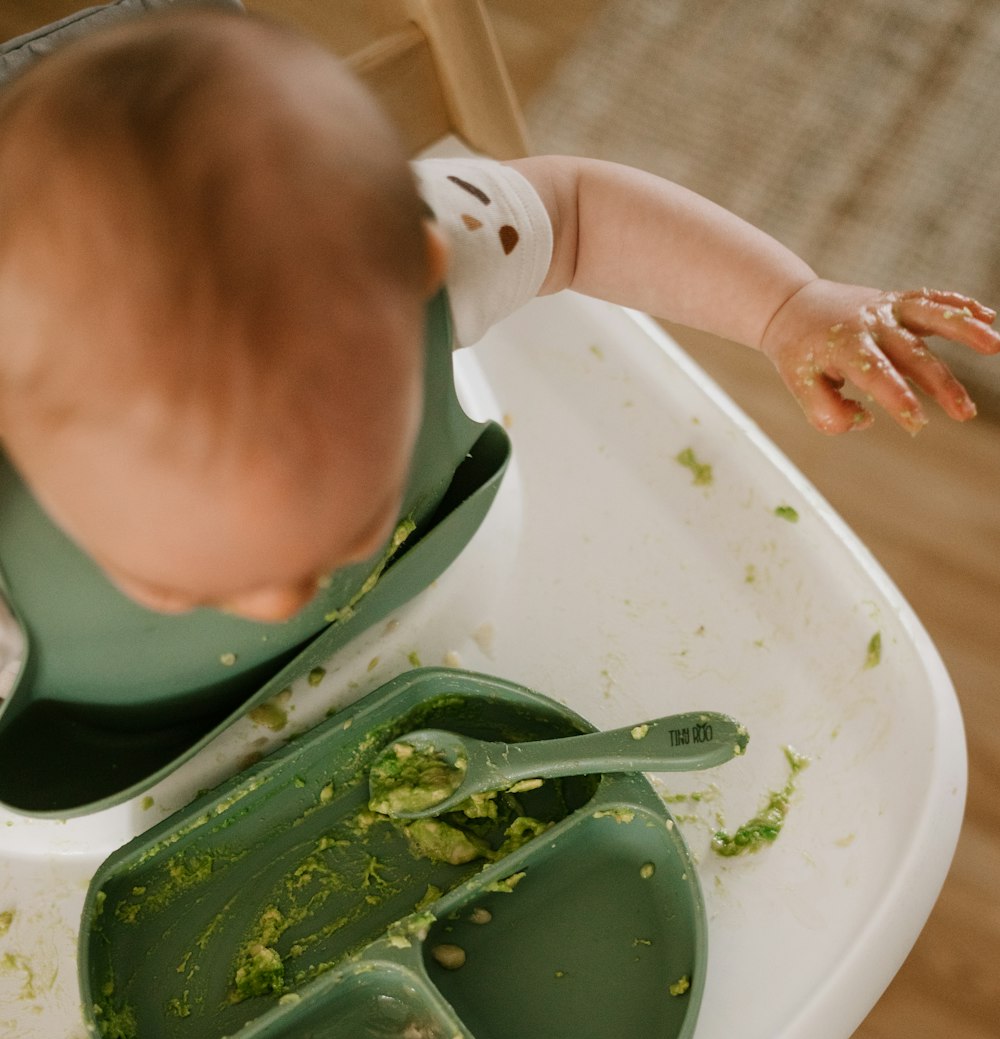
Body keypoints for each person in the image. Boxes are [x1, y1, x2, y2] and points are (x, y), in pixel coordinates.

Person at [0, 7, 996, 625]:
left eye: (353, 527)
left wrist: (786, 303)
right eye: (177, 586)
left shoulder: (379, 276)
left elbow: (575, 211)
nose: (278, 608)